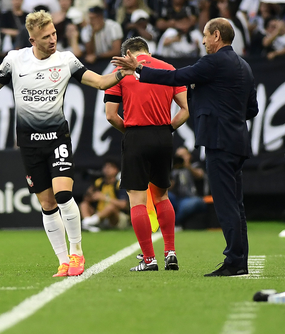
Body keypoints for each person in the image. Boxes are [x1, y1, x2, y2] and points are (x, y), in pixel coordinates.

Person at [0, 10, 133, 278]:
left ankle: (77, 252)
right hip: (30, 145)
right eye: (46, 37)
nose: (53, 39)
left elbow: (100, 82)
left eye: (54, 33)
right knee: (46, 204)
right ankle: (63, 260)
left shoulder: (66, 60)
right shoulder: (14, 60)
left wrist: (122, 73)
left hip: (57, 139)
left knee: (64, 195)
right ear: (32, 40)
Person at [112, 18, 259, 277]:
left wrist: (140, 70)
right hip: (237, 141)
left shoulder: (213, 63)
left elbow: (178, 76)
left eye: (205, 36)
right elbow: (252, 109)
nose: (202, 41)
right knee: (237, 205)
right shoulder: (244, 66)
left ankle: (234, 262)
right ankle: (239, 259)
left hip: (217, 141)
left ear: (216, 35)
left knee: (225, 205)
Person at [105, 37, 189, 271]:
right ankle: (170, 252)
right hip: (164, 137)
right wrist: (168, 129)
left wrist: (131, 131)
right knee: (162, 196)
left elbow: (111, 115)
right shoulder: (168, 69)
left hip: (136, 136)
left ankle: (149, 259)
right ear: (147, 51)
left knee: (137, 200)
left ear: (128, 52)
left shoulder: (121, 72)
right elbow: (185, 110)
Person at [80, 159, 129, 233]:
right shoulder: (99, 183)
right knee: (84, 205)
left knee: (111, 206)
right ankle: (88, 223)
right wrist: (90, 195)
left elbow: (124, 205)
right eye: (105, 167)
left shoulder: (119, 184)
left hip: (115, 218)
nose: (107, 170)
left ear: (116, 170)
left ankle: (87, 223)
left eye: (110, 167)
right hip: (99, 213)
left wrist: (105, 198)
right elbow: (86, 199)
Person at [169, 146, 207, 228]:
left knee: (190, 203)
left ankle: (173, 223)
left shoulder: (195, 165)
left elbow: (200, 175)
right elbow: (169, 187)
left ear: (189, 156)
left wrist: (187, 166)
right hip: (176, 198)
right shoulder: (173, 169)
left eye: (183, 155)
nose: (181, 158)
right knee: (163, 195)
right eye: (179, 156)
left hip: (192, 197)